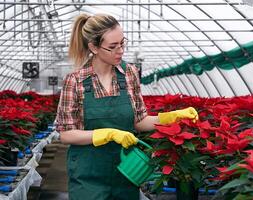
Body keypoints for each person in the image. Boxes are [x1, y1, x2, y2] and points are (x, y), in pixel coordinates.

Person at [55, 13, 198, 200]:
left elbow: (139, 121)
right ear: (94, 47)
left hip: (126, 171)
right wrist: (106, 134)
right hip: (88, 176)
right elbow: (66, 134)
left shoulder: (129, 73)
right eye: (113, 47)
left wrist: (170, 117)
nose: (120, 51)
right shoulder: (76, 81)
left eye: (123, 43)